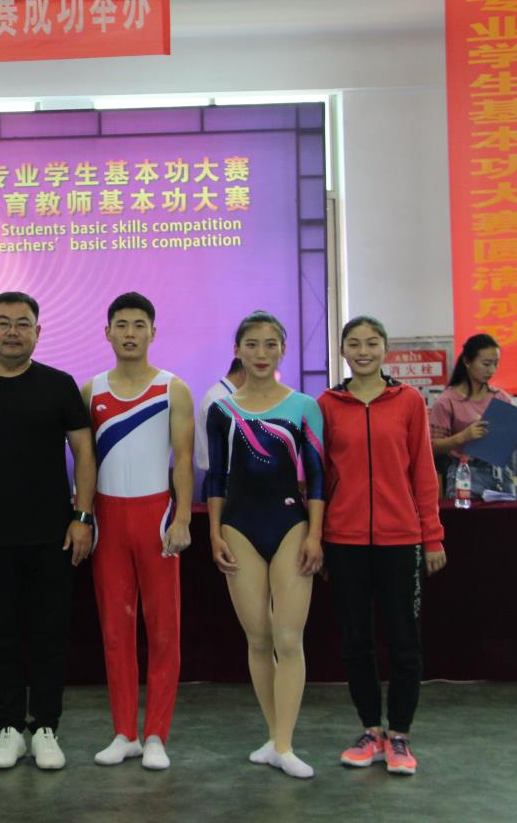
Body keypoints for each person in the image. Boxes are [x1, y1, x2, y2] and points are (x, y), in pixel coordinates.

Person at [0, 291, 96, 771]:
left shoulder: (58, 385)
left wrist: (82, 516)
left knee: (50, 634)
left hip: (53, 534)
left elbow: (84, 453)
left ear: (38, 331)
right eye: (4, 322)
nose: (13, 331)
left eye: (23, 323)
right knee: (1, 636)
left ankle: (46, 727)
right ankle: (10, 727)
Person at [319, 316, 446, 777]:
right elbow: (319, 477)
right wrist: (318, 538)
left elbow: (423, 473)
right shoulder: (327, 404)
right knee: (356, 641)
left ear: (385, 349)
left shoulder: (408, 401)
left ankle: (400, 735)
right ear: (343, 351)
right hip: (344, 540)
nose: (363, 351)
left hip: (401, 539)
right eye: (354, 343)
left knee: (404, 641)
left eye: (372, 343)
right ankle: (371, 731)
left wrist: (431, 536)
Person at [205, 310, 325, 779]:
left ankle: (286, 744)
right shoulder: (221, 410)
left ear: (282, 350)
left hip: (290, 523)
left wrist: (314, 533)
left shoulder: (303, 407)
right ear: (237, 350)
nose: (260, 353)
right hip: (239, 527)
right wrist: (214, 532)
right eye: (251, 344)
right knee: (258, 637)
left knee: (288, 638)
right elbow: (216, 477)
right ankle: (274, 737)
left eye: (270, 344)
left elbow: (317, 476)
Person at [82, 292, 195, 772]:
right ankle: (125, 732)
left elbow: (183, 460)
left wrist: (183, 517)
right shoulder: (90, 391)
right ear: (107, 332)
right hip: (108, 519)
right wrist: (85, 517)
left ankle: (156, 735)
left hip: (156, 517)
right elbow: (84, 463)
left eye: (139, 325)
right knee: (115, 631)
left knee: (164, 632)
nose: (130, 333)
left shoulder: (173, 389)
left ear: (153, 332)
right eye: (122, 325)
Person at [429, 333, 517, 497]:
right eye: (486, 364)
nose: (491, 370)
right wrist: (463, 436)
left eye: (495, 364)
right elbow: (433, 446)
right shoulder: (447, 401)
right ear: (467, 361)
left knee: (507, 514)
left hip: (500, 475)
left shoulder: (501, 398)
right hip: (465, 475)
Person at [195, 359, 246, 489]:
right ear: (243, 373)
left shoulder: (224, 395)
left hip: (226, 477)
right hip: (223, 479)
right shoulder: (219, 399)